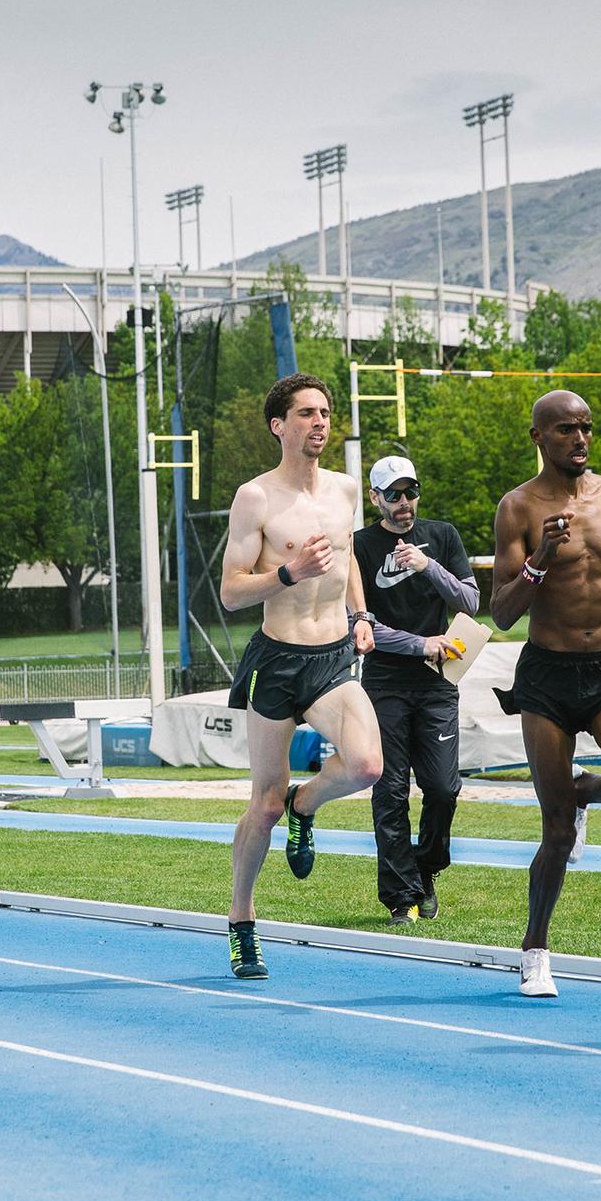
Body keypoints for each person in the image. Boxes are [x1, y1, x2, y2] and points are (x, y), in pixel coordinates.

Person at [487, 390, 601, 998]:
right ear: (538, 437)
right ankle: (535, 949)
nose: (580, 438)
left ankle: (588, 788)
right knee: (557, 832)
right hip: (547, 679)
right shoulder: (517, 508)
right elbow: (502, 612)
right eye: (566, 429)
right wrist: (540, 557)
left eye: (587, 427)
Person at [215, 373, 385, 979]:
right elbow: (231, 592)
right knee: (263, 806)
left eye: (325, 412)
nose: (320, 422)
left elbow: (348, 559)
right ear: (278, 425)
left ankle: (305, 805)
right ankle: (241, 919)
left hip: (333, 656)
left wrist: (361, 615)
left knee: (367, 766)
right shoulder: (256, 497)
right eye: (307, 413)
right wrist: (288, 573)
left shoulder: (344, 490)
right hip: (278, 661)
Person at [352, 455, 476, 925]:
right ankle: (399, 896)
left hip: (438, 684)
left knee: (443, 788)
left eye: (411, 492)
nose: (405, 502)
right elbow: (357, 625)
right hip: (384, 684)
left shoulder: (442, 536)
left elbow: (470, 600)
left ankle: (426, 869)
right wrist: (419, 644)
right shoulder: (359, 546)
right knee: (389, 792)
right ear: (375, 498)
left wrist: (428, 566)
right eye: (394, 495)